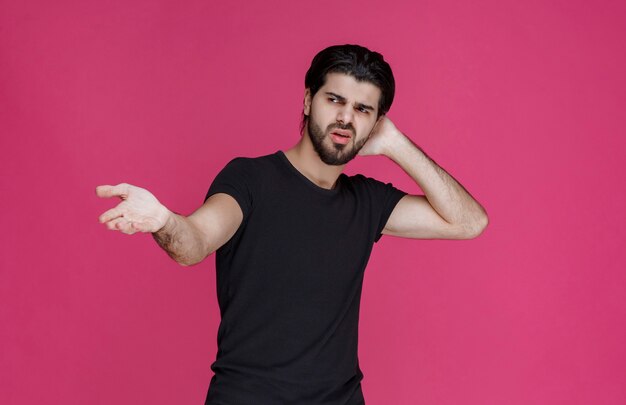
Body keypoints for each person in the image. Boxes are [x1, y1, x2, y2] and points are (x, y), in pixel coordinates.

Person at [96, 44, 488, 405]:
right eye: (334, 99)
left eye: (363, 110)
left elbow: (469, 222)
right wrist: (163, 220)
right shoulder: (250, 180)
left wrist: (395, 143)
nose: (345, 118)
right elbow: (195, 241)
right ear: (307, 100)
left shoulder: (367, 201)